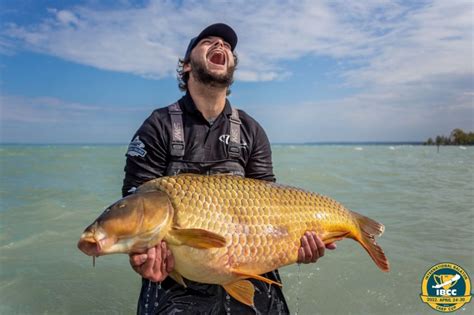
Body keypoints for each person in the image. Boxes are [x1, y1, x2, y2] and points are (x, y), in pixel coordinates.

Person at [122, 23, 336, 314]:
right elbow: (134, 205)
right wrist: (142, 254)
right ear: (186, 66)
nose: (220, 46)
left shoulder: (250, 130)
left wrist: (294, 244)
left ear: (232, 64)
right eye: (208, 41)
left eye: (227, 45)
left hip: (247, 262)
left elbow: (270, 203)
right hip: (176, 274)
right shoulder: (157, 126)